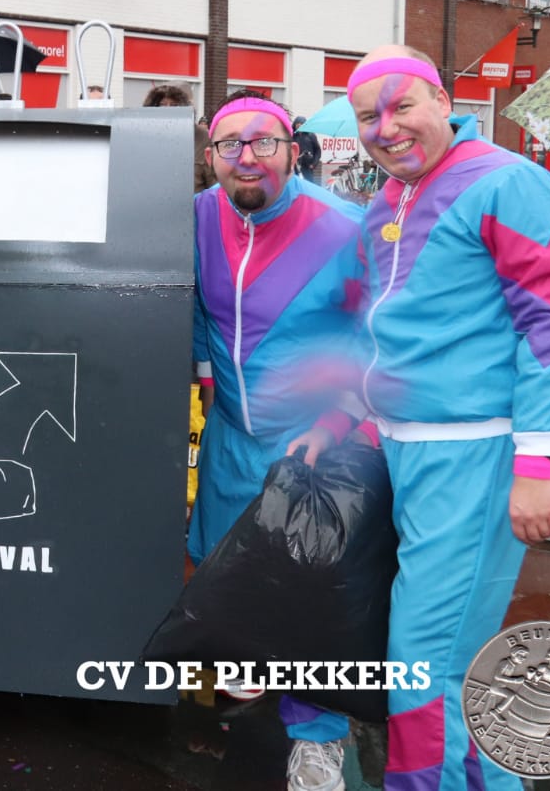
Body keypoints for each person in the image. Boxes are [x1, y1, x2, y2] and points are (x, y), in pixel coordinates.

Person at [347, 46, 550, 791]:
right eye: (368, 116)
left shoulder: (508, 182)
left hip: (471, 455)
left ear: (443, 102)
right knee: (450, 660)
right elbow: (387, 325)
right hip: (406, 452)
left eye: (402, 106)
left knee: (423, 663)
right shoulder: (390, 198)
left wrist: (537, 462)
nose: (386, 127)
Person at [190, 90, 365, 791]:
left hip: (314, 443)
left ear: (293, 151)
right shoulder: (195, 219)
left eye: (263, 141)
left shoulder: (345, 228)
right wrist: (203, 385)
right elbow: (193, 313)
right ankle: (251, 672)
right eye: (229, 144)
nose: (247, 157)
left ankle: (318, 737)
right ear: (210, 156)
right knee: (225, 568)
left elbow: (378, 338)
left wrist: (339, 417)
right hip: (233, 433)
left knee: (310, 593)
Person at [144, 83, 215, 192]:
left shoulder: (203, 137)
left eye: (174, 105)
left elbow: (215, 186)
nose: (168, 109)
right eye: (162, 105)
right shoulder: (144, 137)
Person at [292, 116, 323, 185]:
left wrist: (313, 164)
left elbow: (318, 151)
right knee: (295, 184)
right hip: (295, 165)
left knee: (309, 184)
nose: (299, 126)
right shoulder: (292, 136)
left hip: (307, 166)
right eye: (297, 124)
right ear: (294, 125)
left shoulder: (311, 135)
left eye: (301, 124)